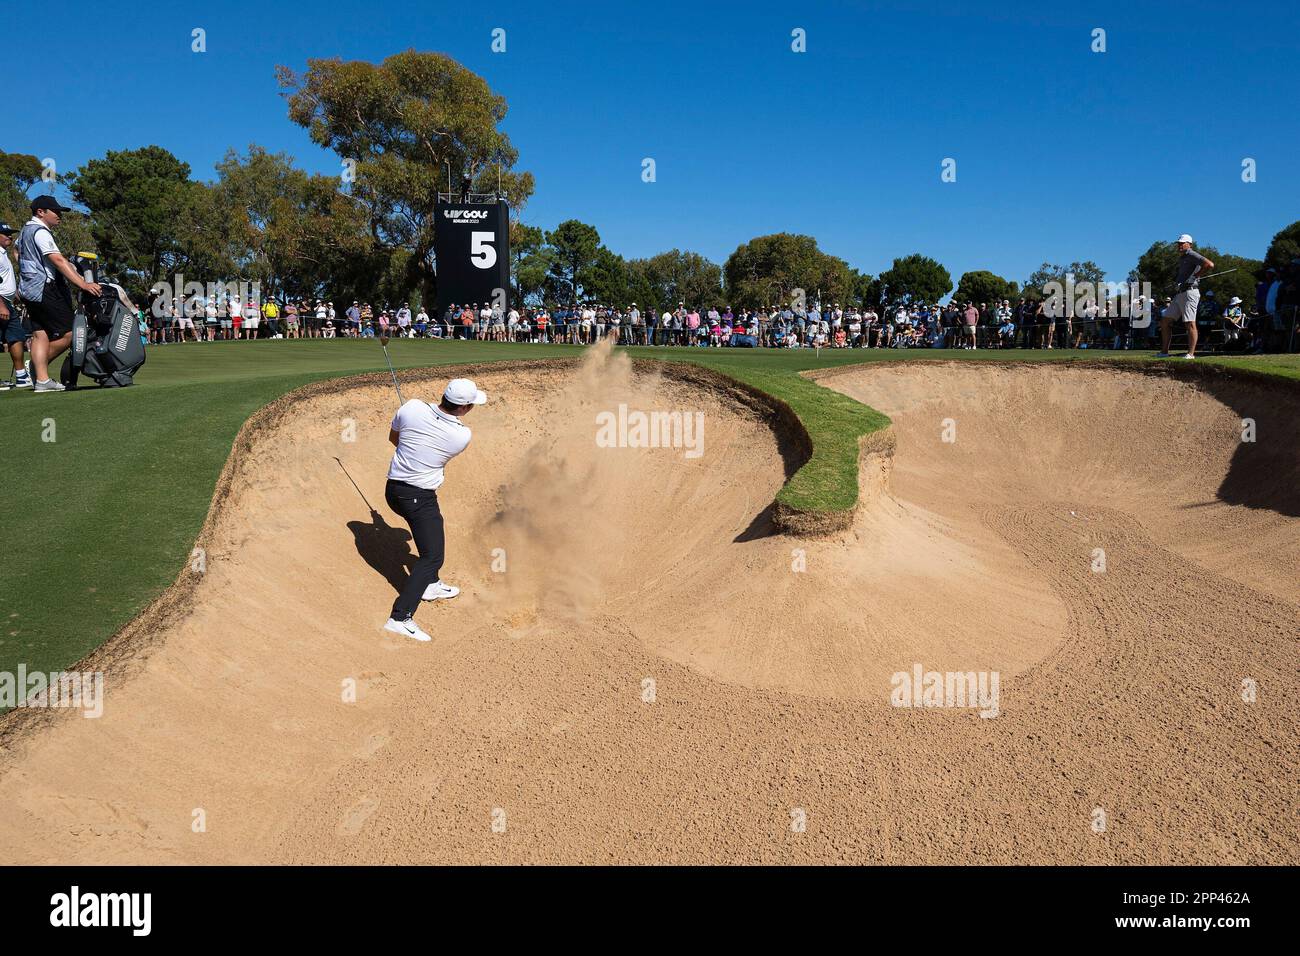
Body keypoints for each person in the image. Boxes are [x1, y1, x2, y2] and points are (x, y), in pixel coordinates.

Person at [382, 377, 488, 642]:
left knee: (431, 535)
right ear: (465, 408)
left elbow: (394, 437)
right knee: (432, 556)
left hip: (393, 491)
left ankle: (430, 584)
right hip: (417, 497)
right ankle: (400, 617)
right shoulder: (462, 435)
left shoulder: (412, 407)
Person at [16, 197, 103, 391]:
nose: (59, 216)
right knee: (70, 333)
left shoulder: (25, 231)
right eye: (55, 211)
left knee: (41, 335)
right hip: (44, 288)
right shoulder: (40, 232)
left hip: (29, 289)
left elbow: (16, 252)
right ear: (41, 212)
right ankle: (39, 369)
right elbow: (57, 260)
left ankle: (42, 380)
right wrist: (84, 284)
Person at [1160, 233, 1213, 359]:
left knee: (1190, 323)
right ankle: (1164, 352)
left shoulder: (1191, 254)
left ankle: (1190, 354)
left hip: (1190, 292)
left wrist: (1197, 275)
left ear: (1189, 244)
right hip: (1180, 293)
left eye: (1182, 243)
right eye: (1178, 243)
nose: (1179, 245)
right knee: (1165, 322)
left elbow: (1209, 264)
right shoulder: (1183, 257)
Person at [0, 223, 33, 389]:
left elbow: (7, 282)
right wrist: (1, 305)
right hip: (1, 303)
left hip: (7, 301)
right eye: (5, 233)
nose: (9, 236)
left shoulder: (3, 254)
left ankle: (21, 377)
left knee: (16, 336)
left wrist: (18, 297)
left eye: (10, 234)